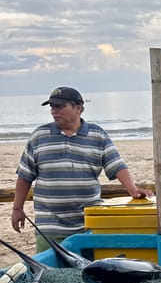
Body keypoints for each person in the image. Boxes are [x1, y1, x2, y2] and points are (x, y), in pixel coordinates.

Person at [11, 86, 152, 251]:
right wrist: (17, 208)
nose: (54, 111)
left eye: (59, 106)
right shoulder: (39, 136)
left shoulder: (97, 135)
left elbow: (116, 165)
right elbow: (25, 175)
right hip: (49, 226)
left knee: (90, 266)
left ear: (78, 108)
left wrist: (132, 190)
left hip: (88, 223)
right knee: (47, 266)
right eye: (52, 106)